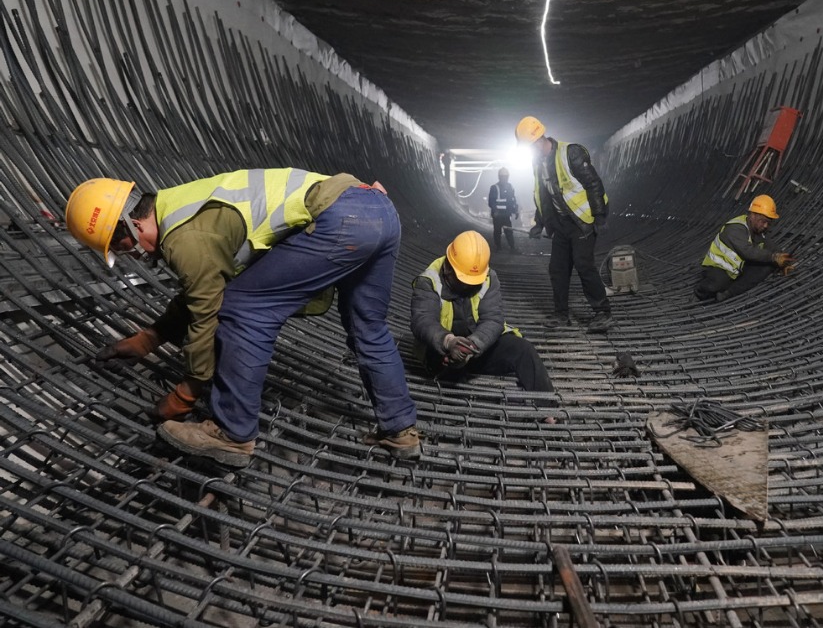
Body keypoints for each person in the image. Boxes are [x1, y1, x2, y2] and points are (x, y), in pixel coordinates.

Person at [64, 169, 420, 467]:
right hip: (377, 210)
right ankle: (400, 431)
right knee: (368, 326)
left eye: (122, 247)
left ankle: (232, 434)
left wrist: (187, 393)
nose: (131, 255)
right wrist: (150, 338)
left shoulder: (186, 237)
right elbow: (201, 287)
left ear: (133, 225)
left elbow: (209, 311)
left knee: (244, 310)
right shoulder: (180, 207)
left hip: (342, 219)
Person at [410, 231, 554, 403]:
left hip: (478, 349)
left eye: (472, 282)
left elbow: (493, 319)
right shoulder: (429, 281)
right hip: (442, 352)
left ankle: (549, 409)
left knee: (522, 349)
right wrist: (448, 342)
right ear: (448, 268)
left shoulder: (487, 277)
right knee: (450, 369)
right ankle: (451, 399)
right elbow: (423, 321)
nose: (466, 286)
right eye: (462, 280)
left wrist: (472, 345)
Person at [514, 116, 613, 333]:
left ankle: (602, 313)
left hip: (581, 222)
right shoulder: (538, 162)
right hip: (560, 225)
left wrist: (599, 217)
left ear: (540, 139)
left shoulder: (571, 153)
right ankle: (561, 314)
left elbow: (593, 184)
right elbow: (543, 194)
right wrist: (539, 222)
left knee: (584, 265)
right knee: (557, 269)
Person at [694, 194, 796, 302]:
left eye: (768, 223)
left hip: (736, 270)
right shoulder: (735, 228)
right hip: (718, 268)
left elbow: (770, 245)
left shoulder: (757, 230)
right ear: (752, 215)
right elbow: (748, 252)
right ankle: (699, 293)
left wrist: (784, 261)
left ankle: (726, 294)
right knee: (718, 283)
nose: (766, 226)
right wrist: (774, 257)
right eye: (763, 221)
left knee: (767, 266)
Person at [487, 167, 519, 252]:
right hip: (498, 215)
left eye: (506, 177)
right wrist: (495, 211)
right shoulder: (494, 187)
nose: (505, 179)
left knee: (509, 231)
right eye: (503, 177)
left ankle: (512, 247)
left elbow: (512, 200)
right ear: (499, 177)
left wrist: (515, 210)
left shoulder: (510, 187)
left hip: (506, 214)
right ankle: (498, 247)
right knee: (497, 231)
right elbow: (491, 202)